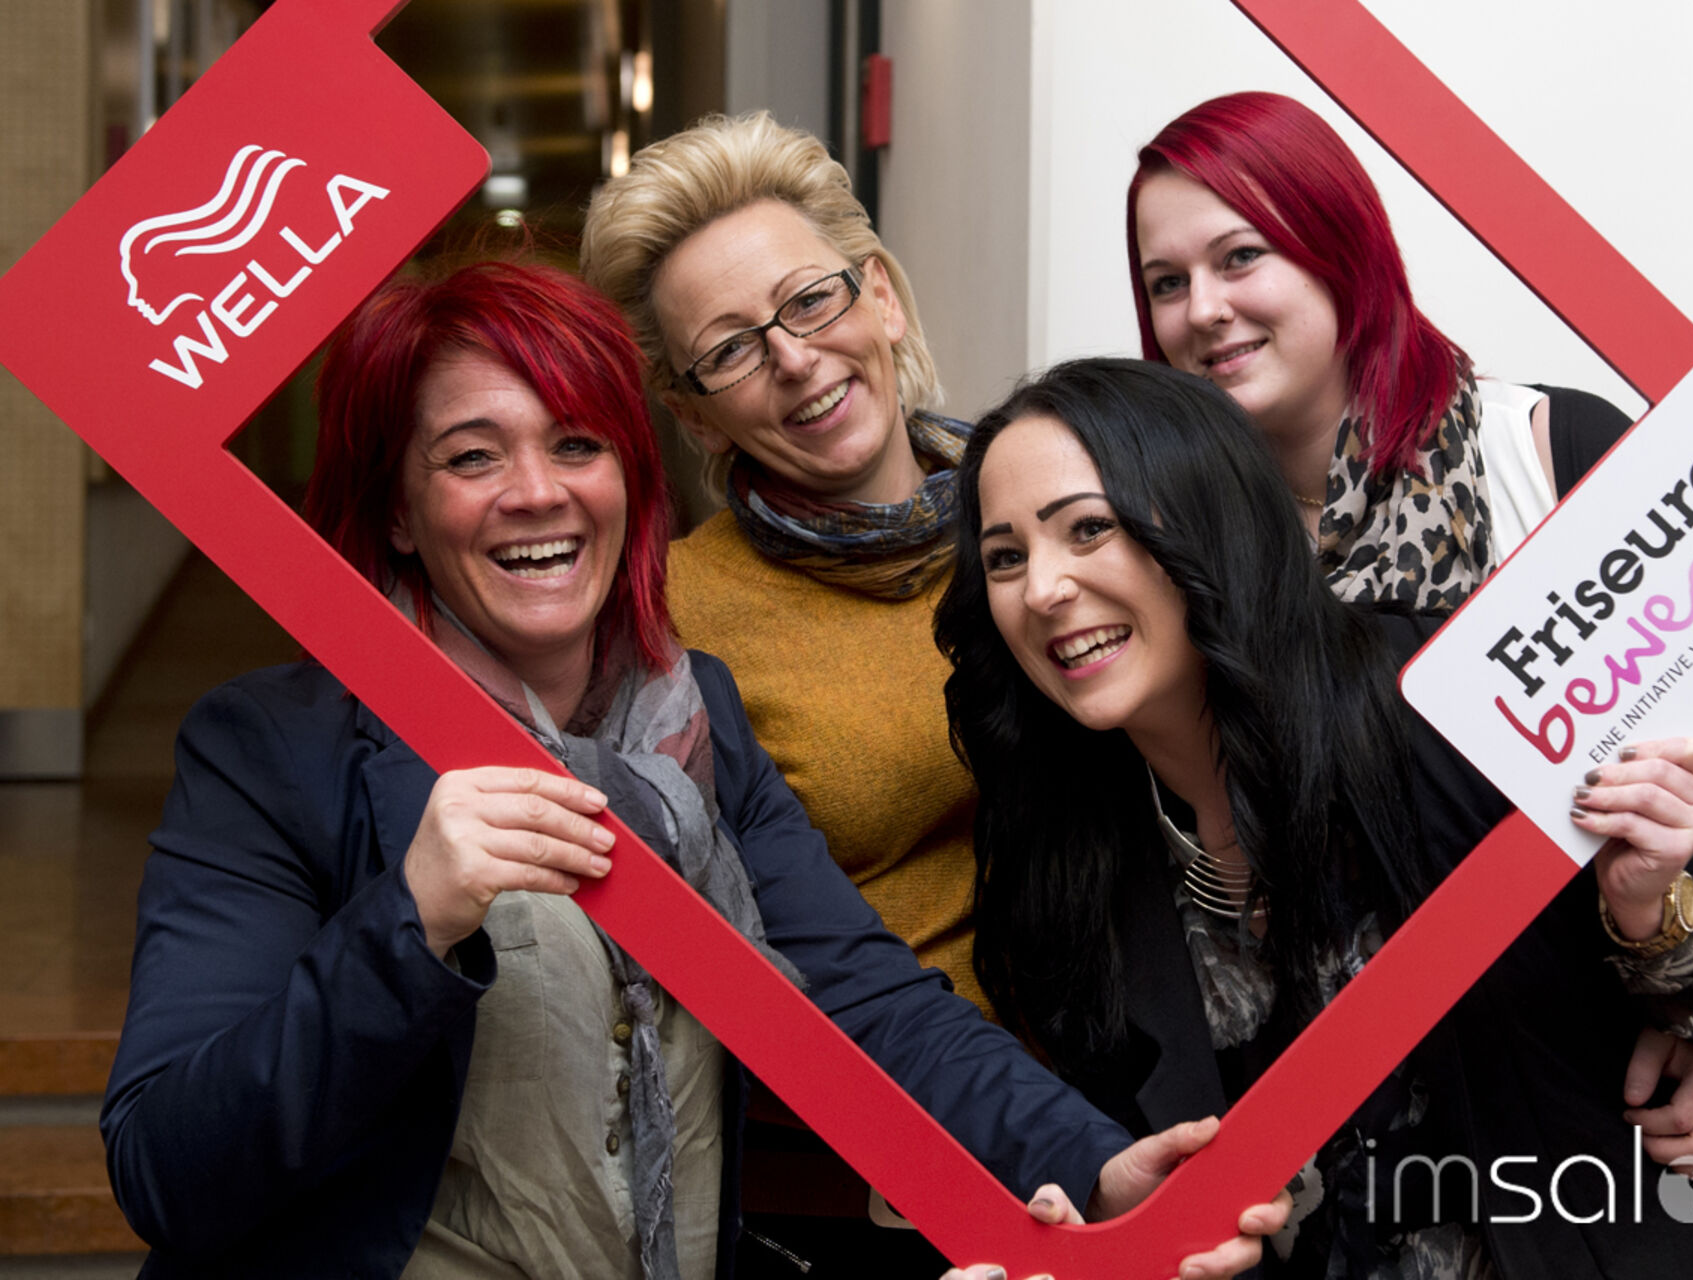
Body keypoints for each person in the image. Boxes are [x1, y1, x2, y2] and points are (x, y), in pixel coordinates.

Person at [99, 264, 1280, 1280]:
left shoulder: (692, 713)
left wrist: (1095, 1164)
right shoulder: (274, 746)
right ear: (400, 511)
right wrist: (410, 919)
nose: (537, 490)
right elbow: (168, 1165)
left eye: (578, 444)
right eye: (471, 456)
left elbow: (862, 1000)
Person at [1125, 92, 1693, 1274]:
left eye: (1240, 255)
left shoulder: (1550, 454)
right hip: (1354, 1175)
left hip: (1601, 1133)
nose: (1202, 309)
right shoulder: (1178, 553)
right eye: (1166, 282)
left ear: (1338, 243)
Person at [934, 358, 1693, 1278]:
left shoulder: (1443, 697)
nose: (1043, 589)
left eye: (1088, 529)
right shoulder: (1067, 850)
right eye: (1005, 557)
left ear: (1207, 517)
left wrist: (1649, 908)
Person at [579, 110, 993, 1268]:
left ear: (881, 296)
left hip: (1116, 1120)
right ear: (692, 408)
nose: (797, 359)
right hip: (858, 1189)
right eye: (730, 350)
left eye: (811, 300)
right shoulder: (670, 620)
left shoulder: (1040, 517)